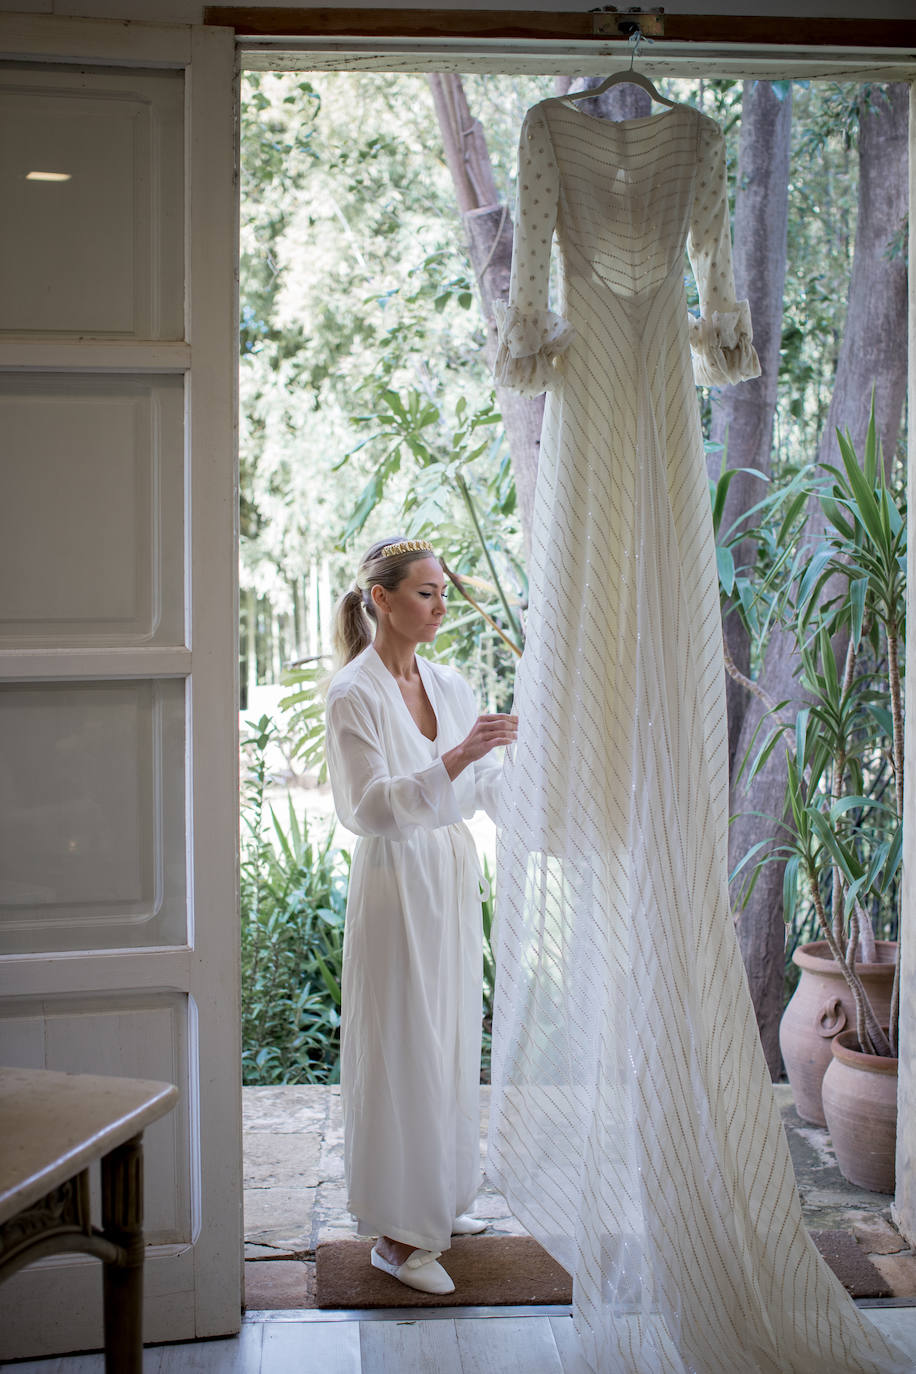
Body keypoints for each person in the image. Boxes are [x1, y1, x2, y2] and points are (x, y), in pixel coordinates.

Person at [324, 535, 517, 1295]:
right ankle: (397, 1239)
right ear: (382, 599)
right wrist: (459, 758)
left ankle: (434, 1201)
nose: (441, 606)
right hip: (395, 882)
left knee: (447, 1039)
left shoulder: (452, 683)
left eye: (443, 592)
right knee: (402, 1045)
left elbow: (490, 788)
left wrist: (557, 804)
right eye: (426, 593)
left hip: (448, 877)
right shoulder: (354, 694)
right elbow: (368, 808)